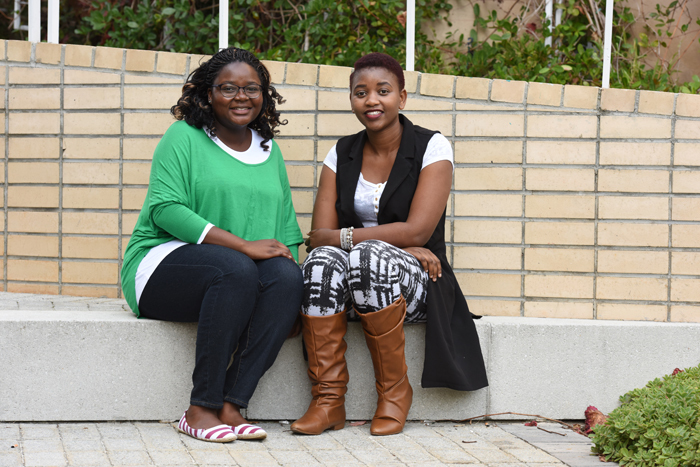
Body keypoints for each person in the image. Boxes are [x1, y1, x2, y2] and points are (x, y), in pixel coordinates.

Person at [290, 53, 488, 437]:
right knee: (321, 264)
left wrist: (384, 243)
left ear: (402, 97)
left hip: (417, 283)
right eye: (360, 93)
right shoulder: (342, 151)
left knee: (366, 254)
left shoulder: (432, 147)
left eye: (383, 91)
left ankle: (394, 394)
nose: (371, 101)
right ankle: (327, 401)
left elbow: (415, 232)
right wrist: (393, 240)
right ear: (351, 100)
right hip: (354, 281)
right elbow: (319, 240)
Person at [121, 47, 304, 443]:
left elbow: (287, 230)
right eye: (228, 88)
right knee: (234, 267)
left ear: (265, 95)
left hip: (232, 275)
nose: (242, 96)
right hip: (160, 266)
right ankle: (199, 408)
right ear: (206, 94)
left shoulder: (268, 149)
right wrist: (243, 245)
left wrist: (292, 297)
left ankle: (231, 405)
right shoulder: (183, 136)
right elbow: (166, 209)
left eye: (252, 88)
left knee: (287, 278)